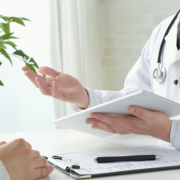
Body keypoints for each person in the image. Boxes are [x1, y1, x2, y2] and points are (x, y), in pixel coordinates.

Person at [22, 11, 180, 150]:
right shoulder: (165, 29)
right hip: (165, 160)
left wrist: (168, 131)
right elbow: (137, 97)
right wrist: (87, 98)